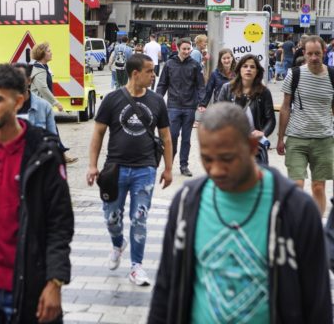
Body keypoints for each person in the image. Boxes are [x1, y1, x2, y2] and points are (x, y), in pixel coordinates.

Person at [148, 103, 332, 324]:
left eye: (227, 158)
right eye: (207, 159)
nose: (216, 169)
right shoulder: (187, 203)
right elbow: (165, 290)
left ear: (253, 147)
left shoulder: (297, 210)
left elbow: (317, 303)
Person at [0, 64, 74, 323]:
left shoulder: (44, 154)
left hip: (26, 285)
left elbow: (59, 223)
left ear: (18, 101)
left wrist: (55, 282)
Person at [87, 54, 173, 286]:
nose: (153, 75)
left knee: (140, 218)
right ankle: (118, 244)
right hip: (114, 169)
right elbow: (98, 133)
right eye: (149, 71)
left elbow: (165, 135)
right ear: (136, 73)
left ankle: (137, 266)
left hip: (145, 169)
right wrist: (93, 165)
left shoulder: (156, 101)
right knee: (111, 217)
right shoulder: (112, 99)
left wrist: (168, 168)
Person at [277, 36, 334, 215]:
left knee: (318, 187)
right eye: (310, 54)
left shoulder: (332, 75)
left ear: (324, 52)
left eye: (317, 53)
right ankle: (298, 228)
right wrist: (280, 138)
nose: (314, 57)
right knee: (297, 186)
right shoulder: (294, 74)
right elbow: (285, 107)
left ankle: (316, 229)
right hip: (296, 138)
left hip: (323, 139)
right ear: (304, 53)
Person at [156, 38, 205, 177]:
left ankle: (184, 165)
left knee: (186, 139)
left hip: (190, 107)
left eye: (188, 49)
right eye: (184, 49)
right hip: (173, 106)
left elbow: (200, 86)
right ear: (177, 48)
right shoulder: (169, 64)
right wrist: (157, 100)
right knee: (172, 136)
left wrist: (202, 103)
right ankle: (169, 163)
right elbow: (162, 84)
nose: (186, 51)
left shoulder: (195, 65)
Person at [216, 54, 275, 167]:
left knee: (255, 178)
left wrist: (263, 132)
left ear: (257, 71)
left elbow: (270, 119)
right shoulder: (227, 88)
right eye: (245, 66)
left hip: (255, 144)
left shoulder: (264, 92)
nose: (248, 69)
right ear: (239, 69)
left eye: (252, 67)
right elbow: (218, 115)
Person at [13, 63, 58, 135]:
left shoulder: (44, 107)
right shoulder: (2, 107)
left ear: (29, 81)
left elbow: (53, 138)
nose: (16, 82)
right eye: (13, 79)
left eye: (20, 79)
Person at [30, 42, 64, 111]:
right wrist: (56, 103)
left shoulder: (44, 67)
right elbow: (43, 88)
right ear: (42, 54)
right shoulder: (39, 69)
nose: (51, 53)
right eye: (48, 51)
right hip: (39, 107)